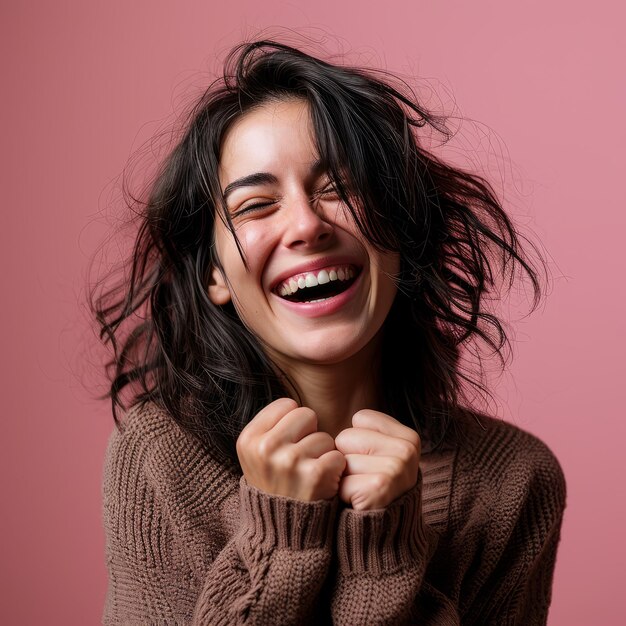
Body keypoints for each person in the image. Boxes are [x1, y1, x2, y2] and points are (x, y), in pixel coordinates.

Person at [94, 39, 566, 625]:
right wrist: (280, 536)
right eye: (257, 205)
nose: (305, 226)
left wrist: (385, 550)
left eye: (337, 188)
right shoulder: (161, 456)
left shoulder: (514, 482)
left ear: (400, 225)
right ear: (216, 273)